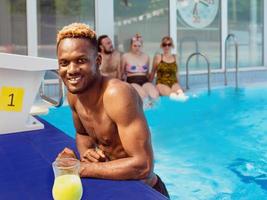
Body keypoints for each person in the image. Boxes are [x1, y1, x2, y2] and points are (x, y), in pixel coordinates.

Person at [56, 23, 169, 198]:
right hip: (114, 188)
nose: (71, 70)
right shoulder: (74, 95)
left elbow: (144, 165)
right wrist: (87, 154)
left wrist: (79, 167)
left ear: (98, 61)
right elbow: (82, 134)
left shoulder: (118, 94)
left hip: (145, 192)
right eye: (64, 63)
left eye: (81, 60)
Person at [121, 33, 159, 100]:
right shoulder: (125, 56)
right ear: (131, 46)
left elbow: (147, 74)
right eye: (135, 46)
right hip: (132, 81)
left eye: (139, 46)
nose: (137, 48)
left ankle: (153, 110)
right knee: (143, 95)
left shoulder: (146, 57)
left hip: (144, 80)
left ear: (142, 46)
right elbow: (121, 73)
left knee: (155, 95)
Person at [150, 36, 188, 101]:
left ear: (172, 45)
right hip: (161, 84)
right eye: (164, 44)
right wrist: (148, 85)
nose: (167, 47)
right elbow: (153, 72)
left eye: (169, 44)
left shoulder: (175, 57)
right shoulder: (158, 57)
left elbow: (177, 73)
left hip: (174, 83)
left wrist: (179, 86)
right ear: (162, 46)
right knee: (173, 97)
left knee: (182, 96)